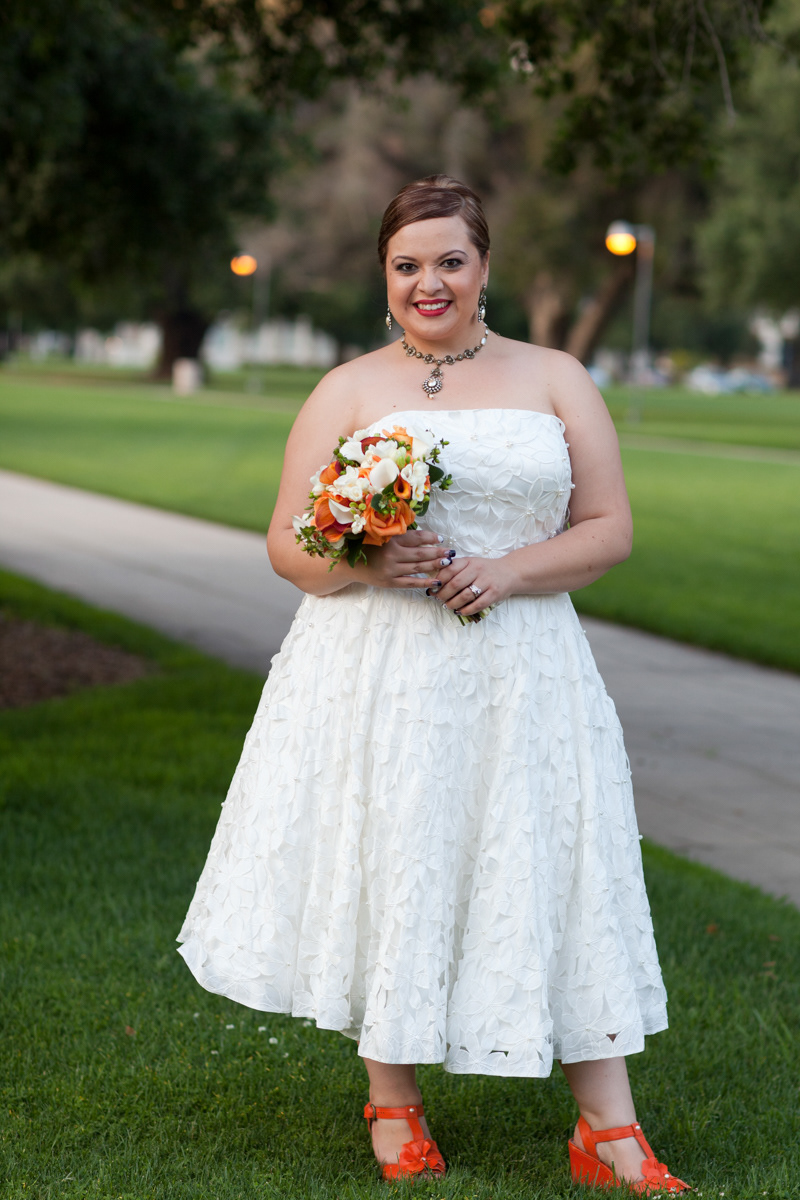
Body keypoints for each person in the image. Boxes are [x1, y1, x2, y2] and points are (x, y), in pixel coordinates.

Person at [178, 175, 689, 1193]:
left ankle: (608, 1130)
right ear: (383, 275)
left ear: (484, 265)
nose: (429, 283)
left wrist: (507, 571)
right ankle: (394, 1105)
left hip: (525, 668)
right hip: (380, 671)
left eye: (450, 260)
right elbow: (287, 545)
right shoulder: (346, 389)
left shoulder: (556, 377)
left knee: (555, 864)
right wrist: (367, 563)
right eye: (407, 264)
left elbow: (609, 530)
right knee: (398, 861)